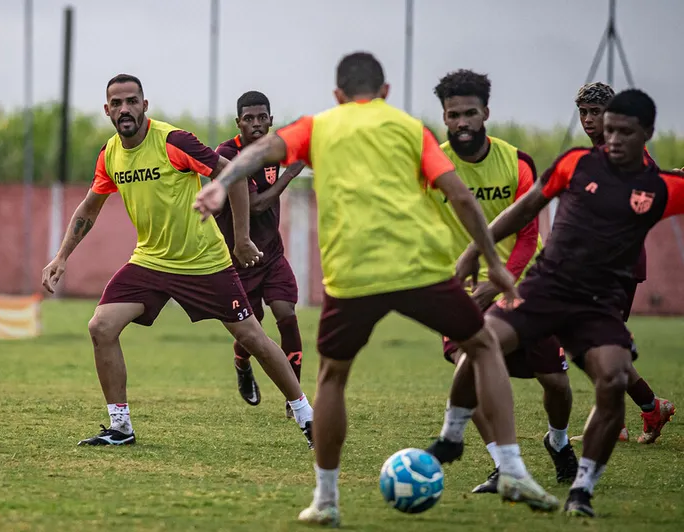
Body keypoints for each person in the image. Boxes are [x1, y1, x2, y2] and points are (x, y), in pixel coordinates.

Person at [194, 52, 559, 527]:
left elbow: (259, 152)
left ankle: (326, 499)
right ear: (385, 92)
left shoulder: (318, 125)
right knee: (483, 344)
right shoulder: (411, 129)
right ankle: (511, 469)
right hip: (419, 267)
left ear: (338, 96)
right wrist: (493, 261)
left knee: (331, 379)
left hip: (353, 275)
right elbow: (461, 197)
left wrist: (221, 182)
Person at [41, 74, 314, 449]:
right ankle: (120, 427)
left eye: (132, 101)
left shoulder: (173, 141)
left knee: (251, 336)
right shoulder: (110, 155)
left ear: (144, 105)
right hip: (151, 261)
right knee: (101, 327)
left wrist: (241, 238)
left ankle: (306, 415)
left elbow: (230, 176)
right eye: (117, 103)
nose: (125, 109)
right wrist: (61, 257)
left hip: (203, 261)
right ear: (107, 110)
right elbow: (90, 206)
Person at [453, 89, 684, 517]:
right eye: (589, 115)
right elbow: (526, 209)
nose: (596, 125)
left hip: (613, 279)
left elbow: (659, 183)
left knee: (607, 365)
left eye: (601, 115)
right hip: (551, 283)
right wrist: (473, 254)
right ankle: (457, 439)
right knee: (492, 348)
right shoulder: (576, 161)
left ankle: (628, 423)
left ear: (642, 132)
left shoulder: (643, 171)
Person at [430, 69, 577, 494]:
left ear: (486, 113)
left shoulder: (516, 162)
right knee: (468, 367)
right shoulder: (434, 165)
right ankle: (502, 465)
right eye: (453, 115)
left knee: (557, 384)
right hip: (460, 292)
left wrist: (499, 281)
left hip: (522, 287)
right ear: (444, 117)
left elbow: (529, 232)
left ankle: (558, 440)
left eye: (470, 113)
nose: (461, 123)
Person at [573, 82, 675, 444]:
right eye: (583, 111)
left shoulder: (626, 152)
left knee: (597, 344)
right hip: (596, 267)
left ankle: (618, 419)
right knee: (597, 345)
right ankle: (648, 409)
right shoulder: (596, 155)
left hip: (619, 266)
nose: (587, 119)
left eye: (595, 112)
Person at [214, 91, 307, 418]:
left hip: (272, 256)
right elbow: (255, 205)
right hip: (238, 261)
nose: (256, 124)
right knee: (252, 330)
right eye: (249, 118)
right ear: (238, 122)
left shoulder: (275, 148)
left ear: (271, 120)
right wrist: (290, 175)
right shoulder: (227, 154)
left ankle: (295, 401)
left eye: (262, 118)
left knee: (287, 315)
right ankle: (242, 363)